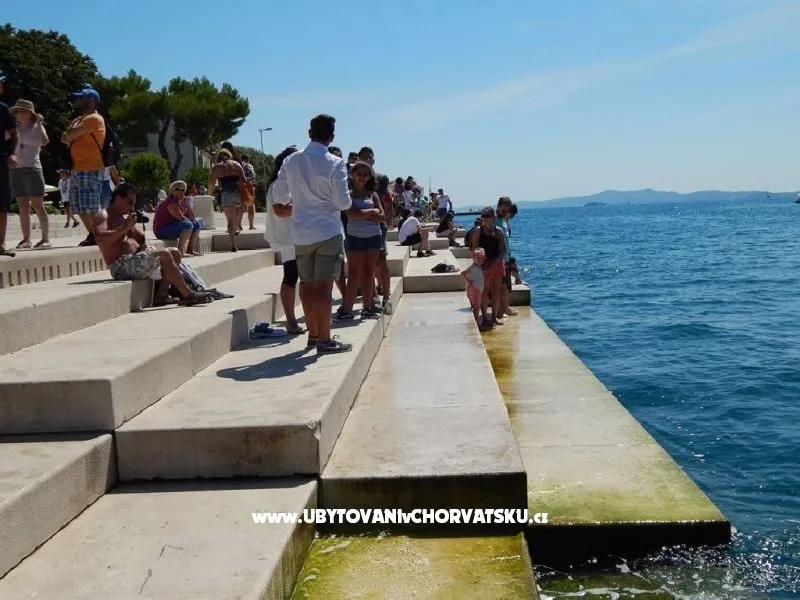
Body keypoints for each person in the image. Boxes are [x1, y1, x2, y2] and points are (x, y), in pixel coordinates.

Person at [271, 114, 353, 354]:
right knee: (324, 288)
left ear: (309, 134)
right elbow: (344, 202)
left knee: (306, 286)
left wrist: (297, 202)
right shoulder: (335, 162)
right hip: (328, 231)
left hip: (301, 233)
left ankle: (313, 336)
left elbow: (279, 194)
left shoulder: (292, 161)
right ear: (332, 137)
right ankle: (325, 339)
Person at [95, 183, 212, 306]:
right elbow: (100, 237)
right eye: (130, 202)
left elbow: (141, 238)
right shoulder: (104, 215)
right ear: (119, 198)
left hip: (134, 260)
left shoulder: (122, 218)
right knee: (164, 254)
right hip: (120, 266)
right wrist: (123, 229)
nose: (132, 207)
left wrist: (145, 244)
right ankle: (188, 294)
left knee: (175, 253)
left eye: (134, 204)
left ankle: (162, 295)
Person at [265, 145, 306, 335]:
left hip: (299, 235)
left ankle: (305, 318)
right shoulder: (278, 185)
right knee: (291, 276)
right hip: (288, 236)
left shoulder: (293, 183)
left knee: (301, 277)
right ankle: (291, 321)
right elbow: (282, 211)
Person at [337, 161, 383, 320]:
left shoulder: (373, 195)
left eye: (365, 174)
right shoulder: (348, 194)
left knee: (369, 272)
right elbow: (351, 214)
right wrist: (371, 212)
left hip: (373, 236)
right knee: (354, 273)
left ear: (369, 177)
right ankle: (347, 309)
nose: (362, 177)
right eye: (359, 174)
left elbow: (382, 217)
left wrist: (363, 214)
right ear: (352, 175)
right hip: (355, 237)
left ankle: (367, 307)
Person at [61, 86, 106, 247]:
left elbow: (70, 135)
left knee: (91, 206)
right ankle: (94, 235)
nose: (79, 100)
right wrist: (71, 135)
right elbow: (63, 137)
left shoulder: (94, 118)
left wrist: (71, 135)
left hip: (91, 168)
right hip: (77, 169)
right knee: (79, 206)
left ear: (92, 100)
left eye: (82, 97)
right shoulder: (79, 119)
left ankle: (102, 234)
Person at [9, 99, 50, 249]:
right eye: (17, 111)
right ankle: (26, 239)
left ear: (29, 113)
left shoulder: (36, 126)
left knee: (38, 205)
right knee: (22, 205)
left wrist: (39, 123)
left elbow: (45, 142)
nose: (18, 113)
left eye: (22, 111)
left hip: (32, 168)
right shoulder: (14, 127)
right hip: (16, 169)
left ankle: (45, 239)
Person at [470, 206, 507, 329]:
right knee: (484, 292)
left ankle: (494, 317)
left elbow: (503, 249)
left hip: (497, 264)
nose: (485, 219)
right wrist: (479, 262)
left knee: (496, 291)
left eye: (487, 216)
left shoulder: (499, 231)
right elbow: (474, 248)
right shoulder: (478, 231)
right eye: (483, 216)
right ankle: (485, 317)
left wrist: (495, 262)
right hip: (483, 265)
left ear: (493, 217)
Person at [208, 149, 246, 252]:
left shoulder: (217, 167)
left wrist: (209, 196)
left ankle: (233, 244)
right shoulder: (236, 165)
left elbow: (211, 184)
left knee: (230, 221)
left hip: (226, 194)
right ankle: (236, 228)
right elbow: (244, 180)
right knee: (236, 219)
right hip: (237, 194)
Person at [153, 180, 202, 256]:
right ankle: (181, 251)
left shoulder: (181, 202)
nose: (180, 192)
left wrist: (187, 205)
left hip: (173, 226)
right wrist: (190, 221)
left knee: (197, 224)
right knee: (188, 225)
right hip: (161, 230)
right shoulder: (170, 202)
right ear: (172, 191)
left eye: (182, 190)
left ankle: (190, 250)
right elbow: (181, 218)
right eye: (177, 189)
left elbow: (192, 218)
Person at [0, 70, 17, 257]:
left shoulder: (3, 109)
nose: (2, 85)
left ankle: (1, 244)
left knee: (2, 203)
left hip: (1, 160)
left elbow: (13, 134)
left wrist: (13, 154)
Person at [496, 197, 519, 317]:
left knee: (506, 285)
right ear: (499, 207)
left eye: (507, 210)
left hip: (505, 256)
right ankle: (503, 308)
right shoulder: (495, 219)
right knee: (502, 285)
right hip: (499, 258)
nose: (506, 213)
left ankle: (504, 307)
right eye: (504, 210)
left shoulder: (503, 220)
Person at [461, 247, 486, 326]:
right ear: (473, 258)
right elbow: (463, 273)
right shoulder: (473, 267)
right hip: (474, 288)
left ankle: (476, 320)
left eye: (481, 258)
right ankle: (476, 322)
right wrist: (468, 281)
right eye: (478, 258)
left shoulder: (481, 267)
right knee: (476, 306)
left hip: (479, 288)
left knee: (476, 305)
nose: (480, 260)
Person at [239, 154, 257, 230]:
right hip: (248, 187)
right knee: (250, 207)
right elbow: (253, 176)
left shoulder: (238, 165)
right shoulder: (249, 166)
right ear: (247, 159)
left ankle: (239, 225)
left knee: (240, 207)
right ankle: (251, 225)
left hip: (239, 187)